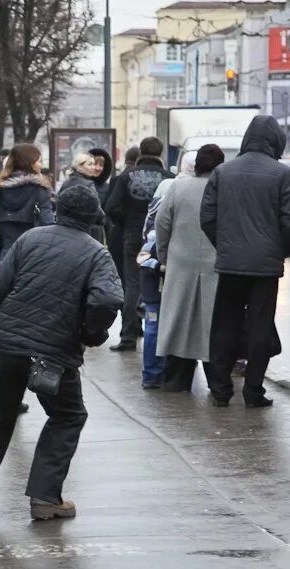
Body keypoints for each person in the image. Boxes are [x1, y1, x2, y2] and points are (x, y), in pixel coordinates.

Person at [0, 185, 123, 520]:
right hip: (55, 353)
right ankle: (45, 498)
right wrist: (91, 333)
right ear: (92, 218)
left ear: (59, 209)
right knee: (68, 415)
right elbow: (106, 299)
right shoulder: (96, 253)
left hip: (9, 344)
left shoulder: (30, 238)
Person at [200, 116, 290, 408]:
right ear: (276, 141)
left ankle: (220, 389)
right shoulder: (284, 175)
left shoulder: (222, 173)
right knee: (260, 327)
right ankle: (253, 390)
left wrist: (224, 246)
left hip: (231, 263)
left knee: (224, 325)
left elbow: (207, 218)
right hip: (265, 267)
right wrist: (278, 250)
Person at [155, 145, 225, 392]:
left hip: (180, 262)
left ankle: (175, 381)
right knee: (212, 326)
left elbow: (161, 223)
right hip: (216, 265)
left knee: (179, 321)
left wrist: (165, 256)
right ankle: (217, 384)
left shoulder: (178, 187)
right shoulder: (225, 190)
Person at [105, 138, 174, 352]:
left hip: (133, 236)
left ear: (141, 152)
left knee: (132, 285)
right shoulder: (169, 178)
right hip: (160, 239)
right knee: (162, 286)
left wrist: (128, 223)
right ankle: (161, 336)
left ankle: (128, 336)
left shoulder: (126, 176)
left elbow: (111, 207)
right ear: (160, 153)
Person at [0, 143, 55, 270]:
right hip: (34, 260)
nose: (41, 165)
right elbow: (48, 225)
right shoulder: (40, 190)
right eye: (39, 161)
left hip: (5, 260)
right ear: (29, 163)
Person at [106, 147, 140, 287]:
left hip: (118, 234)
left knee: (121, 277)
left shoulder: (115, 180)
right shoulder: (136, 179)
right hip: (135, 233)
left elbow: (110, 207)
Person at [137, 230, 164, 388]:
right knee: (153, 330)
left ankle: (152, 374)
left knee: (153, 330)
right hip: (155, 294)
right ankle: (152, 374)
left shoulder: (153, 236)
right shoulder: (153, 239)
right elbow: (144, 261)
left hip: (153, 293)